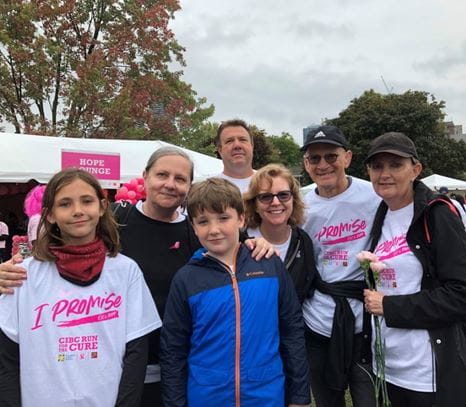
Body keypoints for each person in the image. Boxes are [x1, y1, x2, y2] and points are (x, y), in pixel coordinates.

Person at [0, 146, 275, 406]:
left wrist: (252, 245)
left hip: (177, 367)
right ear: (145, 177)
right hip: (106, 372)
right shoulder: (119, 223)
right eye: (162, 175)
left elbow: (226, 250)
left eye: (180, 178)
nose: (170, 183)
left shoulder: (196, 230)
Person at [0, 168, 162, 406]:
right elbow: (7, 360)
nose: (78, 211)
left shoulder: (126, 271)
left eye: (86, 201)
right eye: (65, 203)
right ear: (50, 214)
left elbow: (136, 353)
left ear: (102, 206)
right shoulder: (23, 274)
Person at [160, 178, 310, 407]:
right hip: (207, 397)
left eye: (223, 218)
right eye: (203, 221)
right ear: (193, 227)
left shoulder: (268, 264)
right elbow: (173, 349)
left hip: (266, 394)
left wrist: (299, 396)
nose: (214, 229)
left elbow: (292, 329)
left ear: (241, 219)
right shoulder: (186, 279)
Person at [362, 132, 466, 406]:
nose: (385, 174)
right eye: (377, 166)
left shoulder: (436, 214)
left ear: (415, 170)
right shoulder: (380, 214)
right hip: (389, 368)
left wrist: (390, 306)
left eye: (395, 165)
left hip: (429, 372)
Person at [300, 125, 380, 407]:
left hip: (364, 321)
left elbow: (412, 225)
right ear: (306, 164)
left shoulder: (374, 195)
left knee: (368, 400)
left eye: (331, 156)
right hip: (317, 322)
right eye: (314, 158)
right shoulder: (299, 204)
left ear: (347, 157)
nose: (323, 165)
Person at [243, 163, 317, 302]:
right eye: (266, 197)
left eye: (283, 195)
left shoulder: (303, 241)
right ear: (255, 205)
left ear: (293, 200)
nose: (276, 202)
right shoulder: (241, 243)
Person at [215, 119, 256, 193]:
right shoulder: (208, 190)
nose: (237, 145)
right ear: (220, 150)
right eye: (229, 141)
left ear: (252, 146)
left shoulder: (271, 184)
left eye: (242, 140)